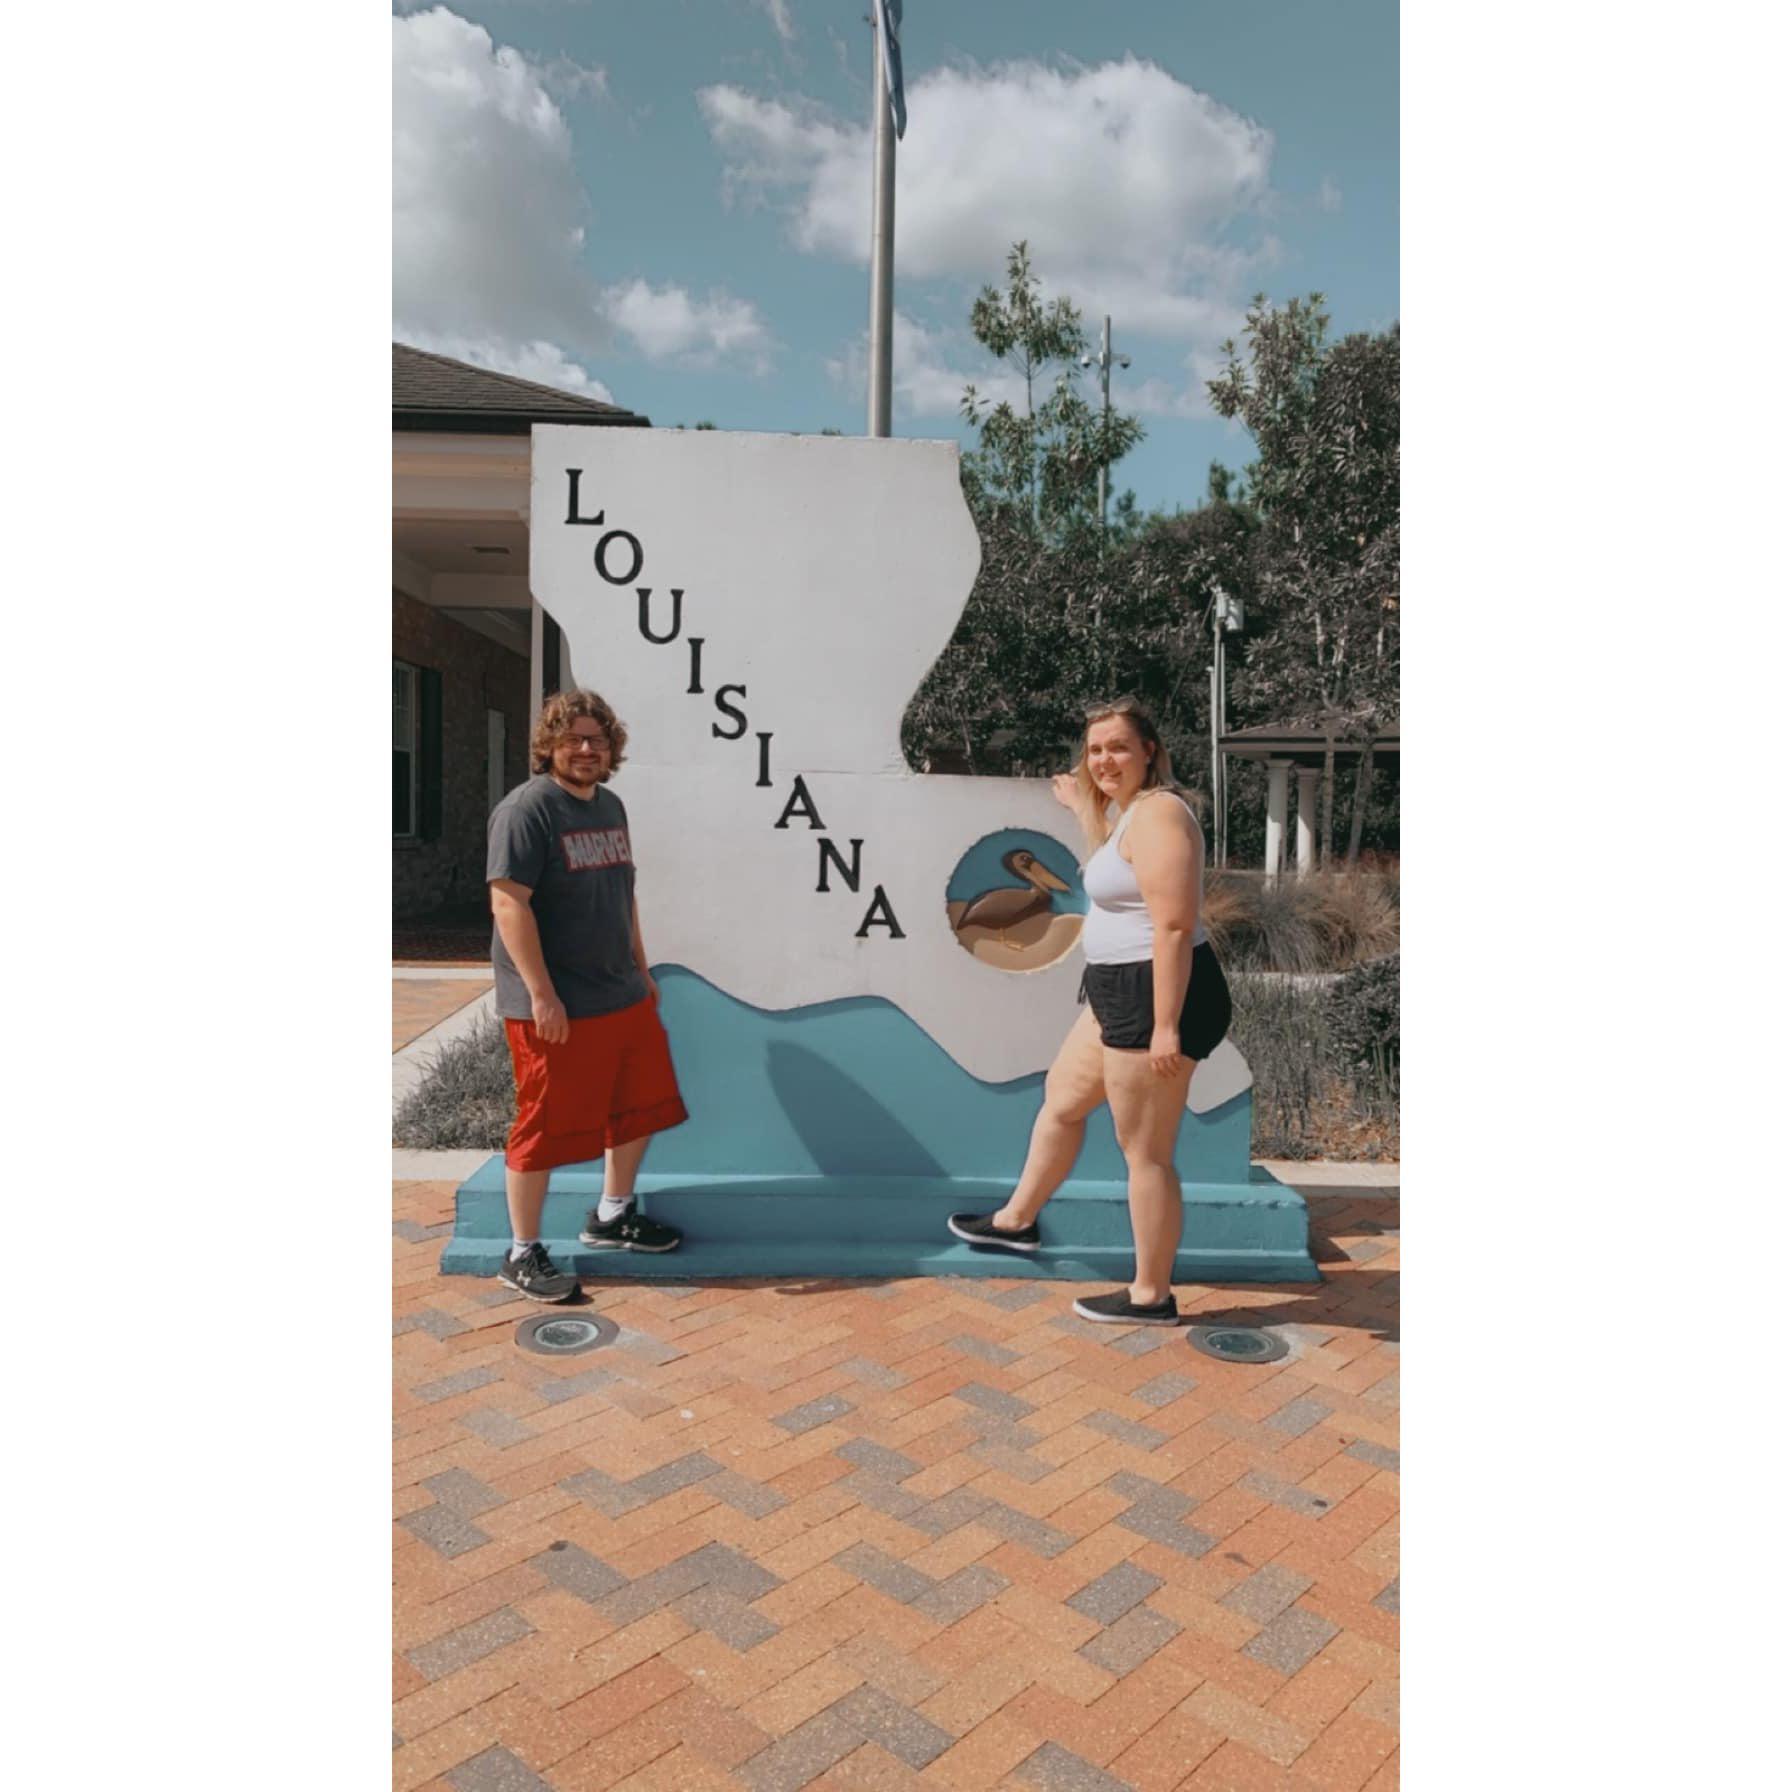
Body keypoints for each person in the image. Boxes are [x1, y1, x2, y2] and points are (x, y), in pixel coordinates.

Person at [947, 697, 1231, 1324]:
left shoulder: (1160, 815)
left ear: (1150, 751)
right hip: (1115, 991)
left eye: (1118, 747)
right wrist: (1083, 807)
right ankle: (1016, 1221)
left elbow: (1174, 926)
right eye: (1095, 749)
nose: (1104, 759)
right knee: (1063, 1100)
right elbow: (1116, 873)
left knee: (1145, 1152)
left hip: (1155, 994)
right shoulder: (1129, 815)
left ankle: (1151, 1295)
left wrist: (1165, 1027)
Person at [486, 689, 687, 1302]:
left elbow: (624, 894)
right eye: (572, 738)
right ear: (548, 745)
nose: (584, 749)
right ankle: (521, 1251)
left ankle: (612, 1214)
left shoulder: (610, 806)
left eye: (596, 739)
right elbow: (508, 904)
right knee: (542, 1124)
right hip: (557, 1007)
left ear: (611, 748)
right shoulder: (527, 811)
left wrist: (641, 969)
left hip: (620, 994)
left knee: (638, 1106)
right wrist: (541, 995)